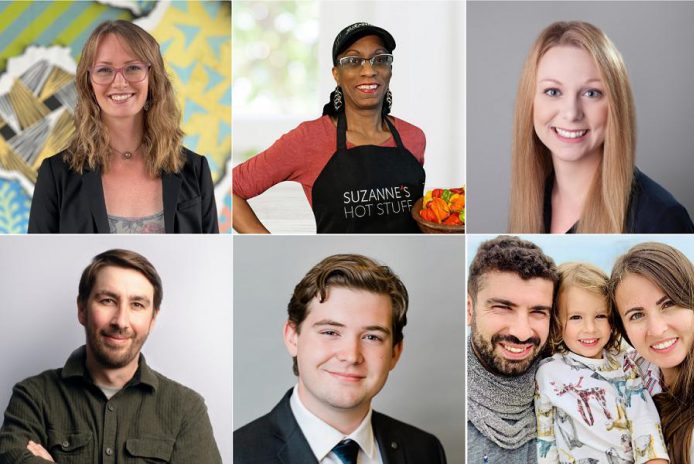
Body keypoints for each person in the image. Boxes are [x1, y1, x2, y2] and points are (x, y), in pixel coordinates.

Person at [0, 249, 222, 463]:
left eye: (137, 304)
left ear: (152, 319)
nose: (121, 321)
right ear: (82, 310)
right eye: (107, 300)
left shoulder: (186, 410)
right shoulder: (33, 397)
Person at [234, 254, 446, 463]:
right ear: (292, 337)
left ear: (395, 352)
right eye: (330, 332)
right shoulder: (236, 454)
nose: (351, 356)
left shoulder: (426, 451)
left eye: (372, 337)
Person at [233, 22, 426, 234]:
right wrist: (271, 245)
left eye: (380, 59)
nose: (369, 70)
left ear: (389, 69)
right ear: (336, 74)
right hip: (343, 262)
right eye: (353, 61)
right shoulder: (309, 138)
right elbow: (230, 190)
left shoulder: (413, 137)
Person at [28, 20, 218, 233]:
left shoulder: (194, 169)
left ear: (152, 78)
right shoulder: (56, 175)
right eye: (104, 70)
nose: (119, 82)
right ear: (89, 82)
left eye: (133, 68)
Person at [508, 21, 694, 233]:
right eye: (553, 91)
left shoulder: (661, 219)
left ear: (615, 105)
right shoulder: (536, 199)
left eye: (591, 93)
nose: (571, 113)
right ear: (529, 103)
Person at [535, 262, 668, 463]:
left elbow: (644, 421)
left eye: (600, 316)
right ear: (557, 321)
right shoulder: (548, 372)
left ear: (611, 321)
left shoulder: (625, 366)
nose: (590, 328)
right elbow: (545, 438)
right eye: (576, 317)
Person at [467, 235, 559, 463]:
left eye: (538, 312)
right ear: (469, 310)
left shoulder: (566, 384)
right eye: (502, 308)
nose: (522, 332)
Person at [610, 242, 694, 464]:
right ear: (623, 330)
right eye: (636, 315)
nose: (657, 330)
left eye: (668, 304)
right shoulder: (633, 370)